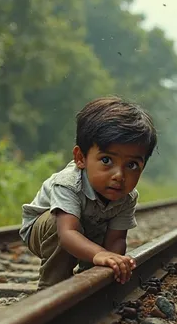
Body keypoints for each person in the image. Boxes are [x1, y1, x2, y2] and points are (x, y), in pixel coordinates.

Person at [20, 96, 157, 289]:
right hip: (46, 231)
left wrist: (112, 261)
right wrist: (99, 253)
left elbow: (117, 238)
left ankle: (89, 281)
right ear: (80, 158)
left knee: (104, 247)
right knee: (58, 224)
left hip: (87, 227)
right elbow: (67, 232)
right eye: (107, 160)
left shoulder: (127, 196)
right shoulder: (68, 183)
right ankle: (51, 287)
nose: (119, 175)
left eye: (132, 165)